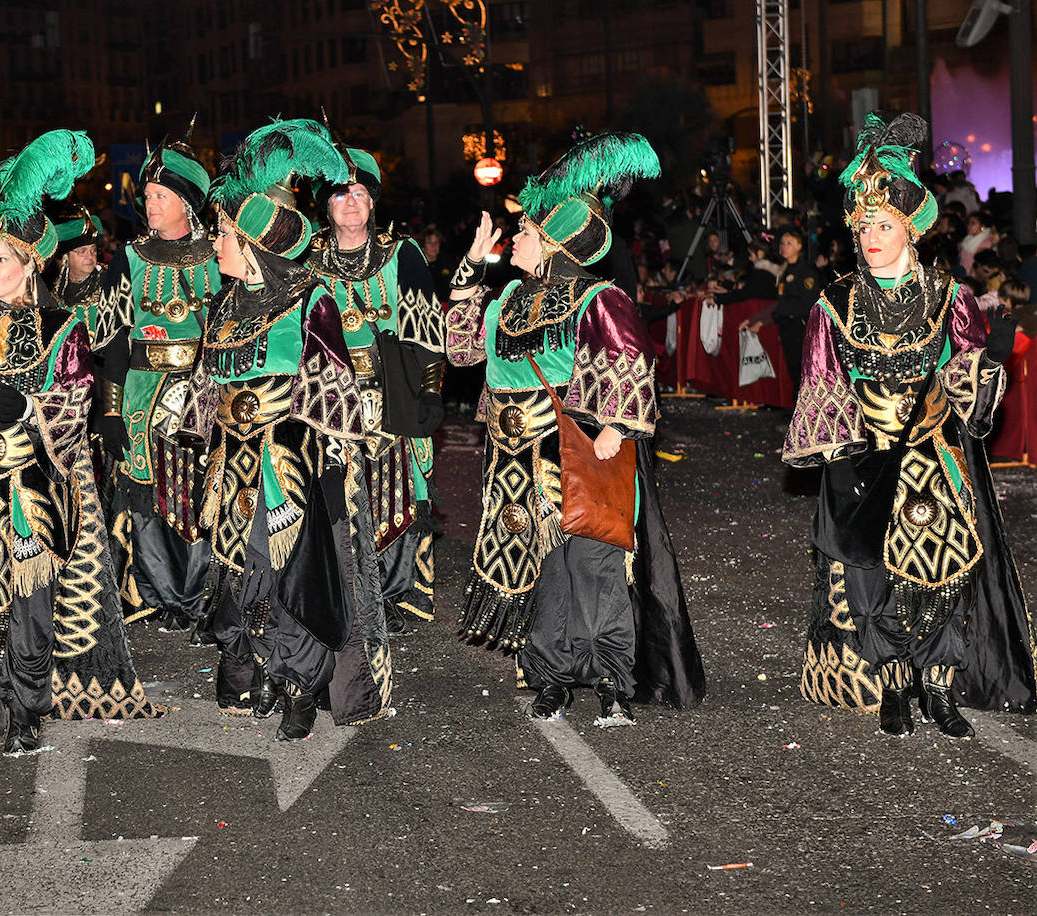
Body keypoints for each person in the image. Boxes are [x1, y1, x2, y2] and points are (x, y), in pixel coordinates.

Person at [784, 111, 1037, 737]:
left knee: (941, 570)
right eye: (864, 224)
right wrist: (841, 454)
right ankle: (894, 682)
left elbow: (969, 373)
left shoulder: (949, 296)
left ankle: (940, 686)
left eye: (884, 225)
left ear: (910, 231)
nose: (871, 235)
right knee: (868, 575)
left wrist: (974, 381)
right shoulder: (835, 301)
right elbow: (823, 382)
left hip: (931, 452)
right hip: (863, 457)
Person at [445, 132, 705, 724]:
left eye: (526, 231)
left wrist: (616, 425)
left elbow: (628, 363)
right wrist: (471, 267)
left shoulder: (598, 298)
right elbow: (460, 352)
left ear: (554, 241)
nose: (514, 238)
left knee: (595, 566)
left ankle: (614, 679)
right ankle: (552, 676)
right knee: (543, 574)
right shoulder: (508, 294)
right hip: (513, 461)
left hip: (575, 454)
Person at [0, 130, 164, 753]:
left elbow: (76, 399)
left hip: (34, 483)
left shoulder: (61, 327)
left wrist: (25, 404)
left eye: (2, 260)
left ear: (29, 264)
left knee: (30, 603)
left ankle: (24, 707)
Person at [182, 118, 383, 739]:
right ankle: (255, 667)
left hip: (289, 470)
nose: (214, 245)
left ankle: (299, 683)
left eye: (222, 234)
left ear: (251, 242)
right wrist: (186, 428)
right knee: (239, 576)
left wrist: (322, 453)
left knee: (293, 577)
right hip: (229, 470)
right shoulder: (221, 305)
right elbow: (206, 385)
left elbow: (339, 384)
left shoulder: (309, 300)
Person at [304, 143, 445, 633]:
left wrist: (429, 394)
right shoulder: (307, 258)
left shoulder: (399, 253)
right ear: (325, 206)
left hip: (391, 394)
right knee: (334, 496)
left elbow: (428, 333)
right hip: (327, 399)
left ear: (373, 202)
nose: (350, 201)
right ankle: (343, 591)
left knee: (396, 495)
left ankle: (395, 594)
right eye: (340, 194)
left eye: (359, 193)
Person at [95, 126, 221, 633]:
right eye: (146, 195)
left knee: (199, 492)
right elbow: (111, 341)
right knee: (146, 500)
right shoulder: (127, 258)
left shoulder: (223, 255)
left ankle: (202, 593)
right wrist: (108, 410)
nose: (148, 203)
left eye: (160, 196)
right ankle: (160, 594)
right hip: (141, 398)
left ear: (186, 202)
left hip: (204, 393)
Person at [768, 227, 819, 387]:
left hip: (799, 325)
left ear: (798, 246)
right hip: (787, 325)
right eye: (782, 243)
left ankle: (803, 408)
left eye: (789, 243)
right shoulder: (784, 270)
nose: (784, 247)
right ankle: (796, 405)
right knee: (792, 367)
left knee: (801, 367)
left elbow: (809, 301)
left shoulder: (805, 271)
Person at [50, 203, 106, 335]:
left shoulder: (111, 284)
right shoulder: (54, 294)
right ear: (66, 257)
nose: (90, 256)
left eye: (93, 250)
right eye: (82, 251)